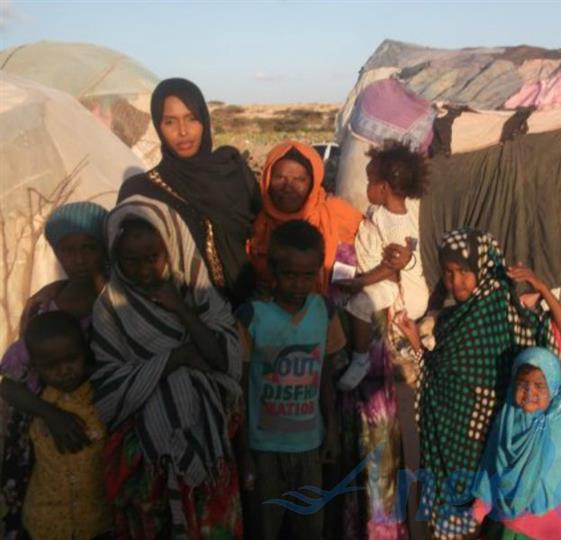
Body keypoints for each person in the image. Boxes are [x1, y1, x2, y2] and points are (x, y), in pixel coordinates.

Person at [397, 228, 561, 538]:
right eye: (449, 272)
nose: (457, 281)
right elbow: (435, 376)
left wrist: (541, 287)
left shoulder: (508, 311)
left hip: (497, 442)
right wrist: (416, 344)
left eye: (465, 271)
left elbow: (560, 334)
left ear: (482, 266)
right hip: (454, 440)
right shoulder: (449, 319)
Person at [91, 196, 243, 538]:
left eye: (152, 258)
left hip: (207, 440)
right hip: (147, 455)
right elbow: (108, 386)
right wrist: (177, 358)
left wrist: (181, 310)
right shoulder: (110, 309)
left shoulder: (197, 293)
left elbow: (222, 359)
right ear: (115, 256)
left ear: (172, 247)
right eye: (131, 260)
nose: (144, 270)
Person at [1, 202, 108, 535]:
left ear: (104, 247)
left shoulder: (117, 307)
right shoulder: (43, 305)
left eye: (88, 248)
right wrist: (51, 414)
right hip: (40, 446)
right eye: (67, 250)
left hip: (100, 446)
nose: (78, 259)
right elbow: (9, 380)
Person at [238, 220, 342, 540]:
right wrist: (243, 453)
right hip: (264, 448)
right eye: (289, 275)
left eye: (308, 275)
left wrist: (332, 430)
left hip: (308, 445)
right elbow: (240, 388)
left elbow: (326, 376)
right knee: (265, 527)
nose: (298, 285)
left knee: (310, 528)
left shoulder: (324, 311)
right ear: (272, 269)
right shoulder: (251, 316)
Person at [117, 78, 260, 305]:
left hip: (247, 309)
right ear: (158, 126)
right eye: (170, 122)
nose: (183, 132)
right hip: (181, 318)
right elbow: (124, 263)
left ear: (204, 120)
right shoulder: (141, 191)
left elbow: (264, 232)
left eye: (191, 119)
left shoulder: (232, 173)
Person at [471, 347, 561, 540]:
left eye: (539, 386)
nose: (529, 392)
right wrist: (481, 504)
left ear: (554, 386)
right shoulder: (508, 419)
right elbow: (492, 463)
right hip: (507, 525)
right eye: (522, 384)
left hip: (550, 528)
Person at [336, 140, 430, 390]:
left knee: (359, 304)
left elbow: (391, 267)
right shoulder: (385, 211)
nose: (366, 187)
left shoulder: (395, 222)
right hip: (379, 279)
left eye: (369, 182)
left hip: (389, 285)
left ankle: (360, 360)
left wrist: (361, 282)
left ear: (384, 187)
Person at [11, 311, 111, 539]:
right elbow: (5, 385)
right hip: (43, 522)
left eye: (71, 359)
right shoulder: (36, 395)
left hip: (96, 524)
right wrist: (50, 413)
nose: (64, 370)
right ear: (35, 367)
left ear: (85, 352)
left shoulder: (104, 393)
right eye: (51, 365)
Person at [249, 140, 364, 294]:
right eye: (280, 178)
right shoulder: (256, 223)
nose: (288, 187)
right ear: (267, 179)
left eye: (299, 180)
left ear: (313, 183)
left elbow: (375, 240)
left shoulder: (336, 213)